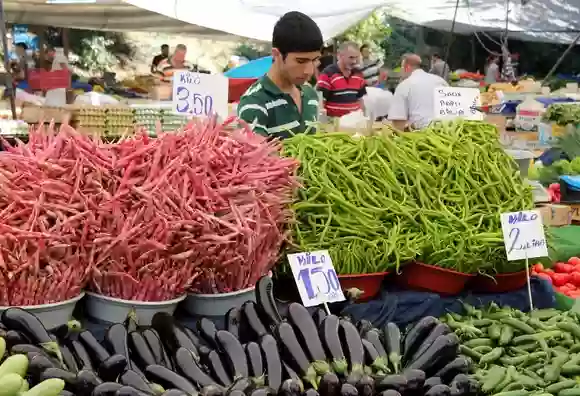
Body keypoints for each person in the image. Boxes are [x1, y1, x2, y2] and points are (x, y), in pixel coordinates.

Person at [237, 11, 323, 139]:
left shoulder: (310, 96)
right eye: (301, 61)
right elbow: (258, 156)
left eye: (315, 60)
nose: (309, 71)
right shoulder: (254, 102)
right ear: (276, 54)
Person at [388, 53, 448, 131]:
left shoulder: (405, 85)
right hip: (447, 131)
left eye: (402, 67)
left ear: (407, 67)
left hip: (421, 136)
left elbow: (398, 123)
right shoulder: (441, 81)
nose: (401, 71)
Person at [317, 42, 366, 118]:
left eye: (356, 57)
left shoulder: (359, 74)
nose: (354, 61)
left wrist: (364, 117)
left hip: (355, 122)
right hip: (334, 124)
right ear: (339, 56)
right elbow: (320, 102)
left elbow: (360, 99)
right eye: (351, 57)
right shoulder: (328, 74)